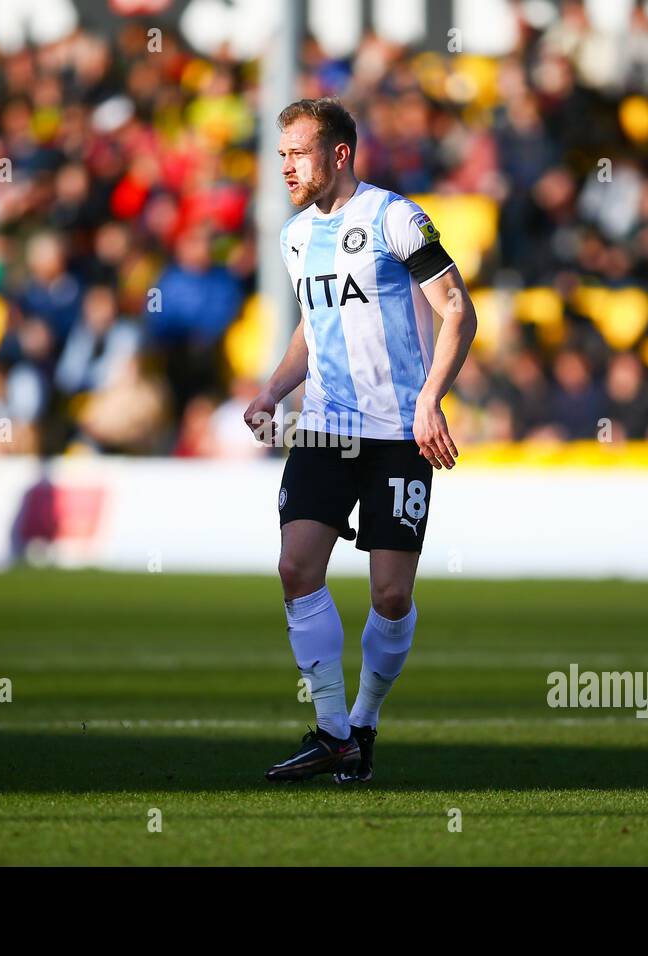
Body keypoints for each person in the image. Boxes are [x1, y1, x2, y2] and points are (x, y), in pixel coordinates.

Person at [243, 99, 477, 782]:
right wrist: (272, 390)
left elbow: (457, 310)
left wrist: (430, 400)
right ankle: (332, 731)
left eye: (299, 153)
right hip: (324, 429)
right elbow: (312, 329)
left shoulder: (394, 218)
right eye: (281, 153)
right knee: (295, 568)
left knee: (391, 598)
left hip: (397, 436)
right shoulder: (292, 237)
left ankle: (364, 723)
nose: (286, 166)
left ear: (339, 154)